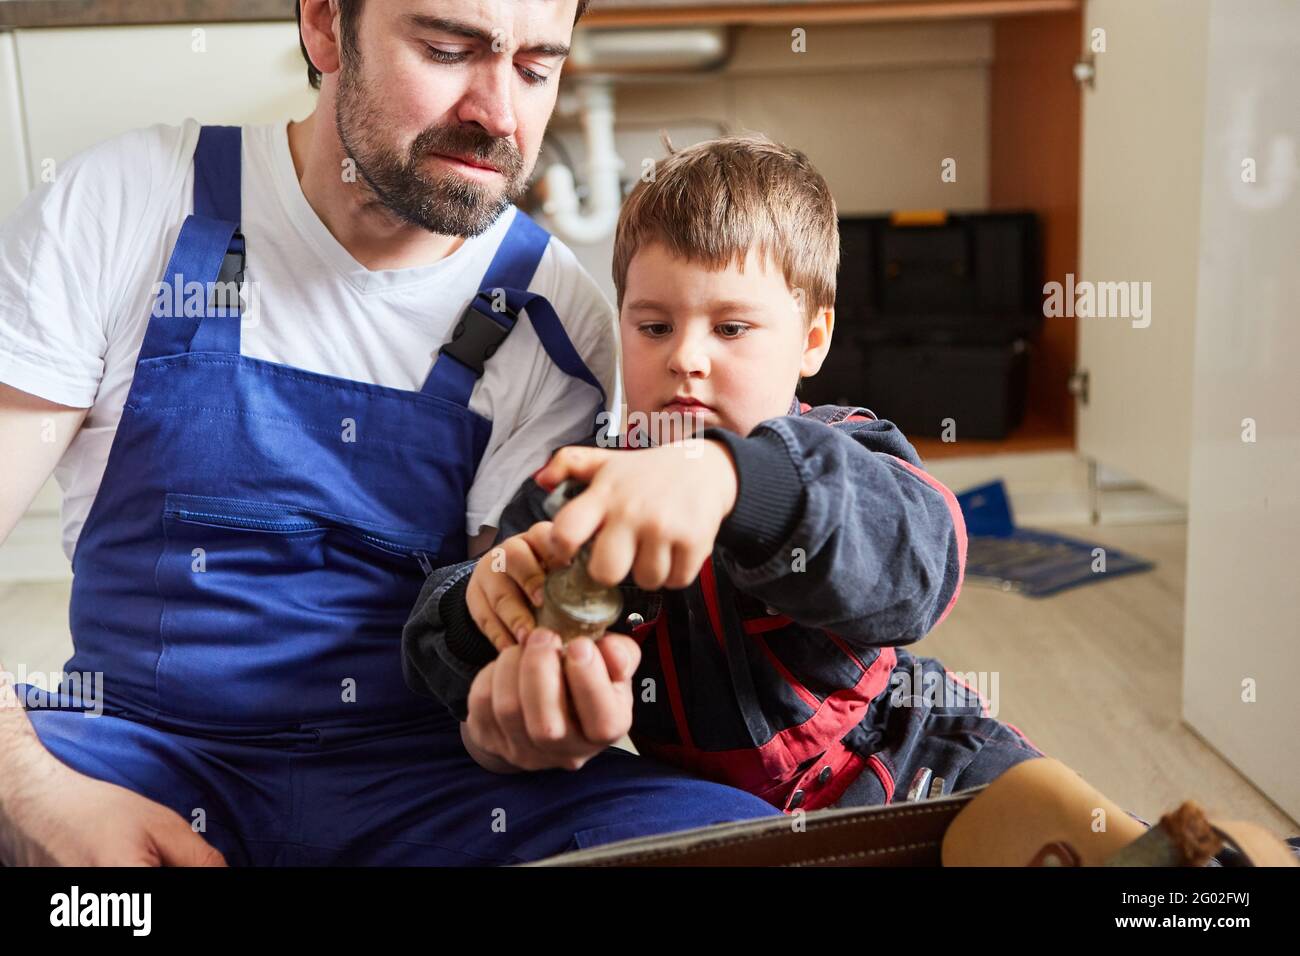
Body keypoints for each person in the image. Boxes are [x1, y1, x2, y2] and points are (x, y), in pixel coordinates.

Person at [0, 0, 781, 867]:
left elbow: (489, 643)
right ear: (327, 26)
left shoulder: (555, 318)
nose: (498, 114)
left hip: (424, 790)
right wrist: (38, 798)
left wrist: (533, 706)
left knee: (732, 845)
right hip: (126, 760)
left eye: (535, 69)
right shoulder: (125, 203)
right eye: (448, 50)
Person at [403, 133, 1045, 810]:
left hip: (910, 758)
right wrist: (481, 609)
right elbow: (432, 650)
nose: (687, 358)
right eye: (654, 327)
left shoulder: (842, 447)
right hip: (701, 805)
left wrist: (734, 481)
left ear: (813, 339)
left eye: (731, 328)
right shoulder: (585, 487)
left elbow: (921, 559)